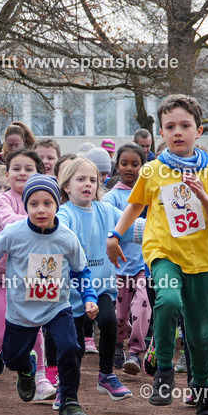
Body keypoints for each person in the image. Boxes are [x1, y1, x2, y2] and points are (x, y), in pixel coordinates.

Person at [108, 94, 208, 415]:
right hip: (162, 252)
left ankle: (203, 389)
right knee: (166, 299)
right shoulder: (152, 170)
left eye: (185, 126)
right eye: (170, 127)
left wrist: (201, 194)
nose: (177, 132)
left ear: (199, 130)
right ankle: (164, 371)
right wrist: (114, 236)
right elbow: (134, 207)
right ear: (161, 132)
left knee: (199, 333)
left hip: (202, 259)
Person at [0, 175, 98, 415]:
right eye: (34, 204)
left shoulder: (66, 236)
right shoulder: (14, 232)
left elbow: (81, 270)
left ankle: (70, 402)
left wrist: (89, 297)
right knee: (12, 359)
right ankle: (28, 369)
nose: (41, 210)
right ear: (26, 206)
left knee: (71, 348)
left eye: (47, 203)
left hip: (56, 307)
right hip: (20, 309)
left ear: (57, 205)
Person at [0, 149, 53, 402]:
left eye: (29, 169)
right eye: (16, 168)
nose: (22, 173)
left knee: (35, 329)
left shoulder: (46, 202)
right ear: (6, 174)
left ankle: (40, 378)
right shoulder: (1, 201)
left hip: (32, 276)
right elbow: (10, 223)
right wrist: (42, 218)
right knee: (2, 332)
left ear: (38, 174)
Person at [57, 157, 131, 401]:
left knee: (110, 321)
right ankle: (65, 390)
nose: (88, 184)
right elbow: (60, 238)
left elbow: (132, 226)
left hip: (100, 287)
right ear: (66, 186)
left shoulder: (106, 210)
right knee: (74, 347)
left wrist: (162, 231)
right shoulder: (64, 213)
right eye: (81, 179)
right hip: (70, 294)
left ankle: (106, 375)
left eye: (93, 179)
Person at [103, 144, 151, 374]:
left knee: (142, 307)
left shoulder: (151, 193)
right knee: (120, 315)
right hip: (119, 266)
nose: (129, 168)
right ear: (117, 166)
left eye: (135, 164)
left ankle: (135, 351)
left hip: (145, 264)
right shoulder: (112, 197)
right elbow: (106, 228)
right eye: (124, 163)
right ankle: (118, 345)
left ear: (143, 166)